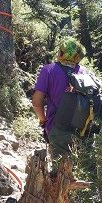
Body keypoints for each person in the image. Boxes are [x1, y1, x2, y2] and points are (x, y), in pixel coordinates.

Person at [31, 37, 92, 183]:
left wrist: (43, 121)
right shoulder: (86, 73)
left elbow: (36, 103)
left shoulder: (49, 70)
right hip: (84, 129)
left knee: (60, 177)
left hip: (58, 127)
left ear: (61, 53)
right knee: (83, 175)